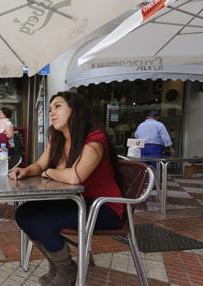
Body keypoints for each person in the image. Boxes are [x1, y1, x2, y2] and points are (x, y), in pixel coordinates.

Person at [9, 92, 123, 286]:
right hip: (76, 202)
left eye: (58, 106)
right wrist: (26, 170)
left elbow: (75, 176)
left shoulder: (94, 139)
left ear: (75, 110)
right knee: (24, 213)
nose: (52, 112)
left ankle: (66, 270)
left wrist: (50, 172)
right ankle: (58, 263)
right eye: (50, 108)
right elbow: (39, 165)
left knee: (42, 222)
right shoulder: (58, 138)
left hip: (104, 208)